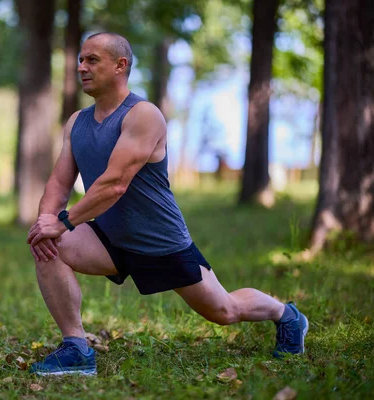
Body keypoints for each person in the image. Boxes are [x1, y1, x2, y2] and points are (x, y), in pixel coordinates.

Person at [26, 32, 308, 376]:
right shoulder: (77, 123)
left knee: (224, 310)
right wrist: (46, 222)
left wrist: (64, 220)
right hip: (108, 237)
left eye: (92, 60)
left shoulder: (143, 115)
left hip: (160, 240)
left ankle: (287, 315)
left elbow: (114, 184)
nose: (81, 67)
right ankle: (76, 348)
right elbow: (58, 181)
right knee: (48, 245)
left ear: (120, 65)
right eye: (81, 60)